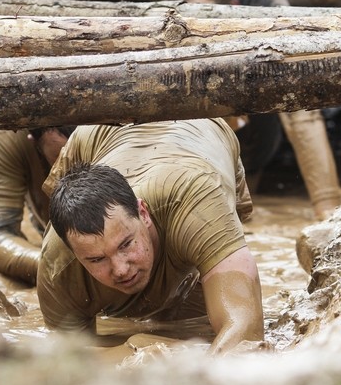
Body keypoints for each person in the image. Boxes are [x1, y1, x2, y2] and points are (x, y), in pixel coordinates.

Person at [37, 118, 264, 354]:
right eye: (97, 259)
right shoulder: (57, 263)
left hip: (203, 127)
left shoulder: (198, 208)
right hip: (94, 131)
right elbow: (66, 361)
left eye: (126, 244)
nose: (121, 269)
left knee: (202, 301)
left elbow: (246, 333)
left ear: (143, 213)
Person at [157, 0, 341, 219]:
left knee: (294, 92)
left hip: (262, 128)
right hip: (209, 139)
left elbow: (298, 82)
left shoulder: (261, 0)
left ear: (227, 1)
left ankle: (329, 206)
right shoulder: (166, 21)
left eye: (203, 11)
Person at [0, 125, 75, 285]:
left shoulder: (122, 127)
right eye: (63, 159)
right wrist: (61, 269)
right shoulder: (9, 126)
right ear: (35, 143)